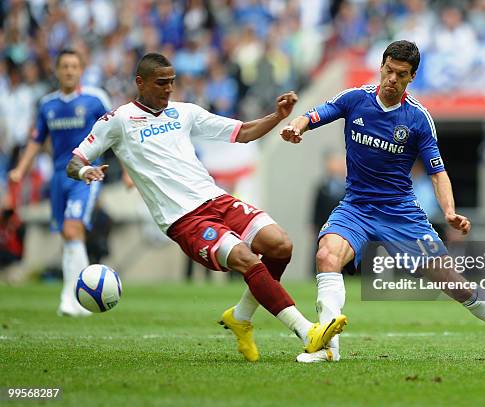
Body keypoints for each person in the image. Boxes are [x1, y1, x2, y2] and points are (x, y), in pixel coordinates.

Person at [281, 40, 485, 363]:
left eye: (401, 74)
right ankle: (328, 349)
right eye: (388, 71)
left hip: (401, 214)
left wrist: (449, 211)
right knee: (327, 255)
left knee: (456, 285)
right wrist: (297, 125)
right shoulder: (355, 99)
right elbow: (315, 114)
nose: (392, 79)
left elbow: (438, 172)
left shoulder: (418, 119)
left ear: (412, 77)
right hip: (357, 207)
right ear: (381, 67)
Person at [66, 53, 347, 362]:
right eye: (161, 83)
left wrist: (277, 116)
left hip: (215, 199)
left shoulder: (184, 112)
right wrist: (83, 171)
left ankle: (241, 317)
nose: (168, 89)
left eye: (172, 82)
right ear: (140, 82)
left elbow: (242, 132)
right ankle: (307, 331)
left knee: (280, 245)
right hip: (183, 218)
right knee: (245, 258)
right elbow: (76, 159)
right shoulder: (117, 120)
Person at [9, 49, 111, 316]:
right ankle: (83, 295)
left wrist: (127, 169)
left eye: (74, 66)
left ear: (81, 70)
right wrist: (21, 168)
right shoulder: (47, 104)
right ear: (57, 70)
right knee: (69, 237)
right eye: (64, 66)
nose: (68, 71)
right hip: (58, 177)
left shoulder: (95, 99)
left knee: (71, 230)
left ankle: (72, 297)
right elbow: (36, 139)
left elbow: (115, 132)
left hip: (85, 175)